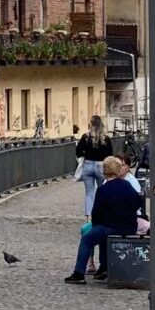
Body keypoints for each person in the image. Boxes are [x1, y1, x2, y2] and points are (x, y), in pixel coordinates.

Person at [66, 156, 143, 284]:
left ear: (104, 170)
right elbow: (138, 202)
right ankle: (104, 268)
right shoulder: (127, 185)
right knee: (102, 234)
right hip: (129, 226)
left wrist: (97, 225)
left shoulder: (103, 189)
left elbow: (96, 212)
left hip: (111, 226)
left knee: (88, 238)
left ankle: (79, 273)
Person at [75, 115, 113, 216]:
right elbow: (110, 154)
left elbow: (78, 152)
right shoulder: (105, 139)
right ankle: (101, 215)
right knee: (102, 191)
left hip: (87, 165)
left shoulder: (85, 137)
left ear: (91, 124)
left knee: (89, 193)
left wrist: (85, 154)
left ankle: (89, 218)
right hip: (101, 165)